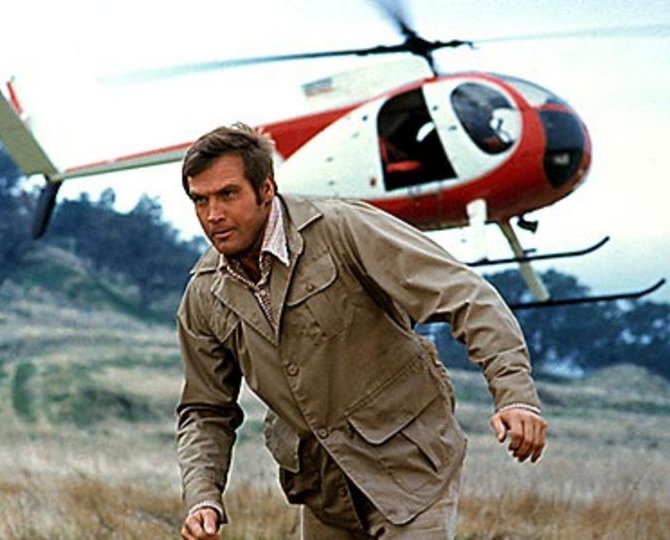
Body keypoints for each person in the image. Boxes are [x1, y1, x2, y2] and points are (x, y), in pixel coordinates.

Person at [176, 123, 547, 540]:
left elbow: (467, 297)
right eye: (200, 200)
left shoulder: (342, 228)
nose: (213, 215)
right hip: (325, 492)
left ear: (266, 189)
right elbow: (205, 410)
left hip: (411, 469)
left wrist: (516, 397)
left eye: (228, 194)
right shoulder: (203, 294)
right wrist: (203, 497)